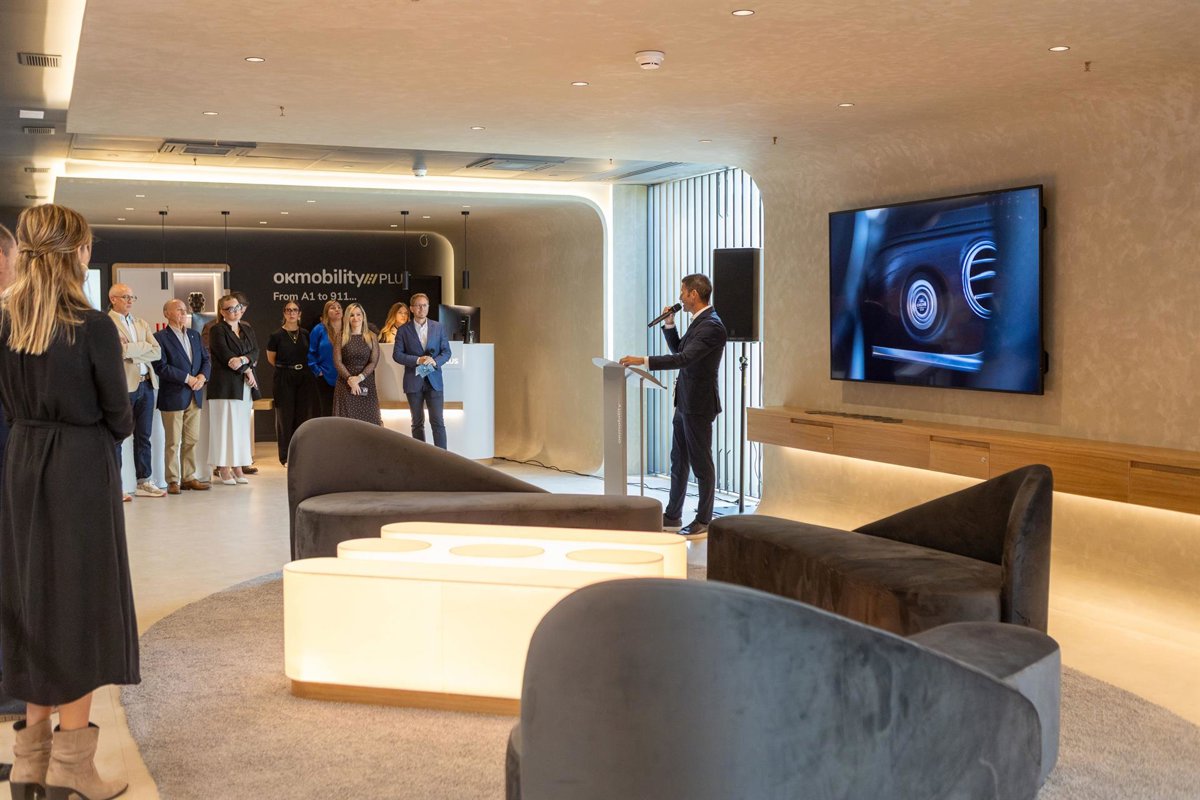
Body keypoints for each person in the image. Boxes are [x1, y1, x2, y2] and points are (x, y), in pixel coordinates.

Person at [0, 204, 138, 800]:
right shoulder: (92, 325)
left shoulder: (6, 321)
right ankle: (72, 766)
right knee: (80, 606)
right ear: (74, 253)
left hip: (23, 461)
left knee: (33, 600)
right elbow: (119, 414)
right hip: (79, 466)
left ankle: (29, 763)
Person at [620, 273, 727, 540]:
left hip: (699, 405)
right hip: (685, 401)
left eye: (683, 292)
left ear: (693, 294)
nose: (680, 297)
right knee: (678, 460)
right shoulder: (699, 322)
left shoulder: (712, 326)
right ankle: (672, 515)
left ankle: (704, 520)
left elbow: (683, 359)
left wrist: (643, 360)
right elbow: (681, 349)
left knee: (701, 463)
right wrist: (669, 324)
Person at [108, 282, 164, 500]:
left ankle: (144, 481)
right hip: (124, 387)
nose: (130, 300)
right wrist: (140, 348)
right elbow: (116, 351)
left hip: (146, 384)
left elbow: (157, 351)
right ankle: (116, 486)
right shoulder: (107, 323)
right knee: (118, 437)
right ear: (113, 299)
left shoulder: (141, 322)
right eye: (125, 297)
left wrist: (130, 351)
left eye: (132, 297)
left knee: (144, 436)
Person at [153, 299, 211, 494]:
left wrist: (202, 377)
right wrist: (188, 378)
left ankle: (188, 477)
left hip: (195, 395)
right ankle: (172, 481)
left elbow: (206, 360)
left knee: (192, 440)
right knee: (172, 442)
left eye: (185, 310)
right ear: (166, 313)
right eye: (178, 310)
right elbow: (161, 367)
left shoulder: (195, 335)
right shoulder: (159, 337)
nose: (183, 313)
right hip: (173, 396)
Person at [207, 294, 259, 485]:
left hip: (244, 387)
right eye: (230, 309)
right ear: (222, 312)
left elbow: (255, 352)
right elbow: (225, 356)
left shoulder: (246, 328)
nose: (235, 311)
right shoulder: (217, 330)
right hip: (224, 386)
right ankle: (223, 468)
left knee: (240, 428)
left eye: (237, 307)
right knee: (224, 428)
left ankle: (238, 466)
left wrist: (245, 361)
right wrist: (247, 370)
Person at [391, 293, 451, 448]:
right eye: (418, 305)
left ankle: (442, 457)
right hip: (413, 380)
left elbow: (446, 352)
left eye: (424, 305)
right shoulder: (403, 330)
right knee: (417, 423)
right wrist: (418, 360)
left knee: (438, 422)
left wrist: (435, 361)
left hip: (434, 381)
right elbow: (397, 355)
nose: (421, 308)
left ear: (428, 307)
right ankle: (421, 457)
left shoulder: (438, 327)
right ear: (411, 308)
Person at [267, 300, 316, 464]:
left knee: (303, 415)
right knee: (285, 417)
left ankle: (300, 454)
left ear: (299, 314)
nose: (291, 313)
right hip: (284, 376)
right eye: (288, 310)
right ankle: (285, 456)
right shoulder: (276, 336)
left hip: (304, 376)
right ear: (284, 313)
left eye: (295, 310)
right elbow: (271, 359)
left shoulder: (306, 334)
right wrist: (288, 368)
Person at [332, 303, 382, 425]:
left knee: (369, 422)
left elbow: (373, 361)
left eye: (358, 314)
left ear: (363, 316)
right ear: (347, 318)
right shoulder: (341, 336)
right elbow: (337, 362)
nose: (356, 318)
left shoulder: (371, 336)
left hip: (366, 382)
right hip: (345, 384)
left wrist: (359, 378)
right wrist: (350, 379)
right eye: (352, 315)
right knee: (346, 423)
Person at [307, 300, 343, 418]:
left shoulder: (348, 329)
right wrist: (318, 371)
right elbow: (311, 353)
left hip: (346, 377)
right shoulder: (319, 329)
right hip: (325, 377)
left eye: (339, 307)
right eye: (333, 308)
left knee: (345, 412)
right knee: (327, 411)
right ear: (326, 313)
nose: (337, 309)